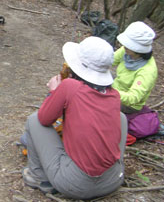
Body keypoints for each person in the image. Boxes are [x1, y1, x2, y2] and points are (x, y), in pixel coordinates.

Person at [22, 37, 127, 199]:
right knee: (121, 117)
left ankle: (39, 178)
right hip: (113, 180)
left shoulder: (70, 86)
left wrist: (53, 92)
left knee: (34, 120)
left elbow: (44, 119)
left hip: (74, 184)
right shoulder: (114, 95)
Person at [112, 21, 157, 114]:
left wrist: (109, 92)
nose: (123, 46)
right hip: (116, 87)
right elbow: (109, 60)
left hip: (128, 105)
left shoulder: (148, 71)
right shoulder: (126, 51)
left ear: (138, 50)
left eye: (128, 45)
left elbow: (133, 97)